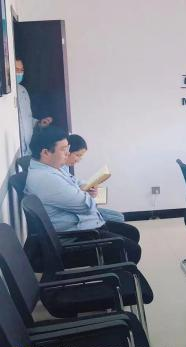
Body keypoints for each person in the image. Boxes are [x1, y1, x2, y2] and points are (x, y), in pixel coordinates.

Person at [24, 126, 141, 263]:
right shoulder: (46, 178)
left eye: (68, 148)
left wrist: (84, 190)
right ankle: (114, 272)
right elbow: (85, 206)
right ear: (45, 152)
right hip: (74, 238)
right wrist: (89, 195)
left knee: (132, 233)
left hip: (81, 227)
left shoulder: (51, 168)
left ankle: (118, 268)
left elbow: (75, 182)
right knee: (132, 250)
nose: (67, 153)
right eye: (63, 149)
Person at [63, 134, 132, 228]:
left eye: (81, 157)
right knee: (118, 218)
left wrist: (87, 185)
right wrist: (83, 191)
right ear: (67, 151)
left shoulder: (65, 168)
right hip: (79, 212)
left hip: (83, 207)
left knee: (120, 216)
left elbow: (76, 181)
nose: (78, 160)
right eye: (77, 155)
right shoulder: (56, 171)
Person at [15, 58, 53, 156]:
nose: (20, 73)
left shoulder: (22, 91)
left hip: (27, 147)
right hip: (12, 147)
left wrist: (38, 123)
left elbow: (26, 118)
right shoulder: (6, 96)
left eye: (22, 70)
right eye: (16, 70)